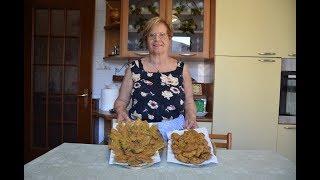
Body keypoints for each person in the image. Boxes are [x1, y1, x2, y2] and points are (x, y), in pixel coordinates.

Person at [113, 17, 198, 139]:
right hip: (140, 133)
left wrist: (191, 116)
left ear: (169, 38)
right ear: (146, 40)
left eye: (162, 35)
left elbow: (189, 101)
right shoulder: (133, 68)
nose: (157, 39)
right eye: (152, 35)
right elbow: (121, 101)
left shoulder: (182, 68)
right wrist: (121, 111)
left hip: (175, 133)